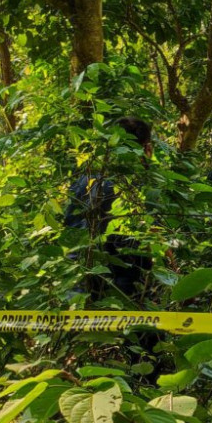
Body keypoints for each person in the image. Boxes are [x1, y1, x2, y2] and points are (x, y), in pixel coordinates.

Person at [64, 116, 154, 298]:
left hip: (78, 277)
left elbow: (69, 229)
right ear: (145, 148)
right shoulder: (132, 186)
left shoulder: (83, 180)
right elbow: (142, 239)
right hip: (120, 286)